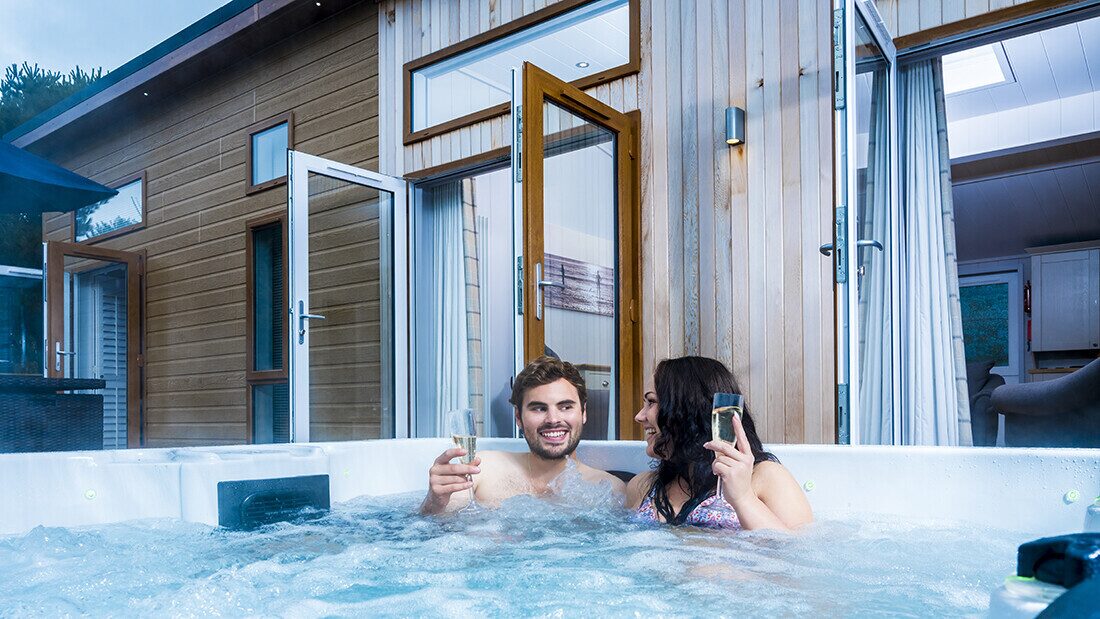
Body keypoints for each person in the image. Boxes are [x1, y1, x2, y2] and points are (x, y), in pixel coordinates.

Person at [626, 356, 812, 531]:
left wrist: (743, 498)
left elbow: (798, 555)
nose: (639, 416)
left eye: (651, 402)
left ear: (687, 411)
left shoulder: (765, 478)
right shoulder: (644, 487)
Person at [420, 355, 626, 514]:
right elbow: (438, 531)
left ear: (583, 413)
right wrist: (434, 503)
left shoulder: (609, 490)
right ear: (518, 417)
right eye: (538, 408)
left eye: (565, 407)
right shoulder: (481, 469)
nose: (553, 419)